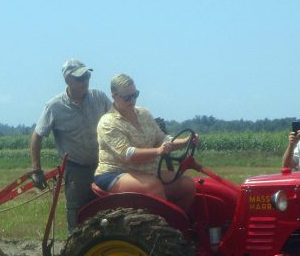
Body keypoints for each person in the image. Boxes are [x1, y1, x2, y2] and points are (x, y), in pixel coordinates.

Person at [30, 59, 112, 232]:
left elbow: (118, 120)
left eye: (87, 76)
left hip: (104, 166)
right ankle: (75, 250)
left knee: (108, 212)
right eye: (80, 78)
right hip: (76, 170)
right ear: (68, 80)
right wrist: (37, 170)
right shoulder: (55, 106)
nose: (85, 81)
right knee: (78, 216)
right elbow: (37, 136)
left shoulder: (99, 97)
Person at [94, 73, 196, 211]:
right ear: (114, 96)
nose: (132, 100)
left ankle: (182, 225)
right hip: (115, 172)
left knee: (187, 185)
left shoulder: (144, 113)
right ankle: (165, 229)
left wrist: (185, 142)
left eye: (135, 94)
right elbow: (127, 153)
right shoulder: (108, 122)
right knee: (153, 186)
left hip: (147, 171)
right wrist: (158, 151)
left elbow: (161, 139)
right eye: (127, 97)